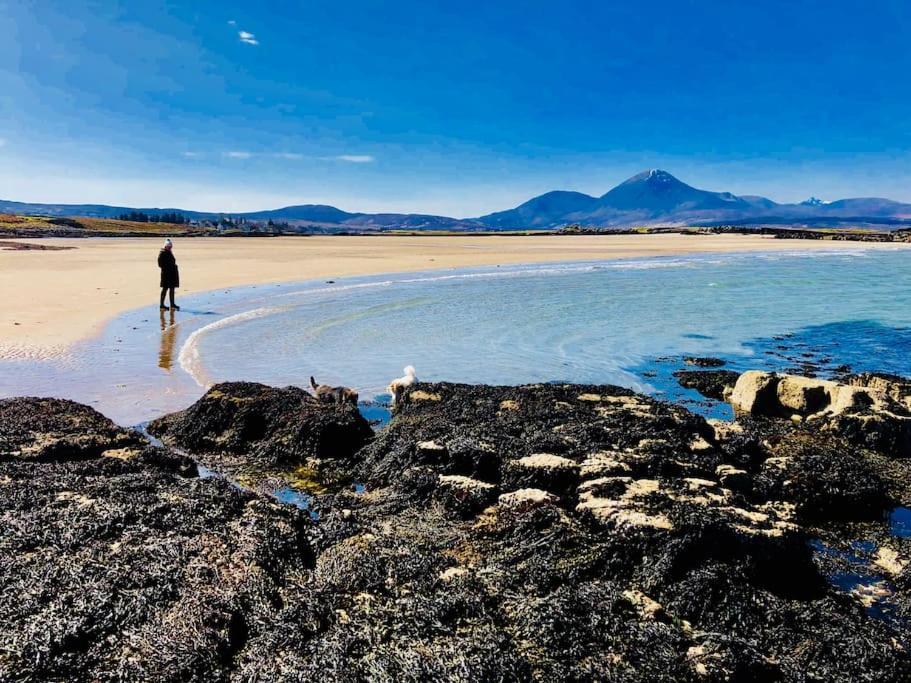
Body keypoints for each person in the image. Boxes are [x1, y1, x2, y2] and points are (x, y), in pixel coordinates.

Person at [157, 238, 180, 311]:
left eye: (171, 246)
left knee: (172, 289)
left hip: (172, 274)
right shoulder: (162, 253)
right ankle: (162, 305)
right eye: (169, 246)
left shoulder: (169, 252)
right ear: (165, 246)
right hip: (166, 274)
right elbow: (160, 264)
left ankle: (172, 304)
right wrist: (169, 267)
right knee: (165, 289)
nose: (170, 247)